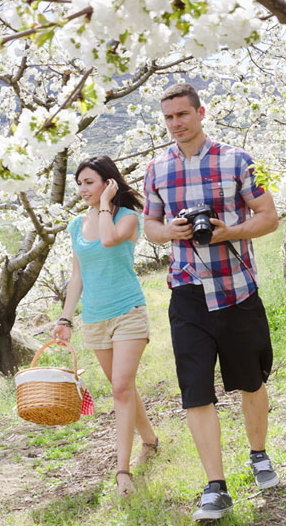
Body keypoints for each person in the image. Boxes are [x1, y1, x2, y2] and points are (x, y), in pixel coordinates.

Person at [143, 82, 280, 521]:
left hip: (236, 289)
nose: (176, 124)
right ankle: (215, 486)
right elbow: (150, 224)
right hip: (186, 293)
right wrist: (170, 232)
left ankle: (258, 453)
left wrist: (228, 231)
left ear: (201, 112)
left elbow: (269, 218)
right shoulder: (155, 169)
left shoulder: (239, 160)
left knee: (251, 382)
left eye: (182, 114)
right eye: (168, 117)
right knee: (195, 392)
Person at [53, 155, 158, 496]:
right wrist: (65, 318)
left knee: (120, 389)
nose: (83, 189)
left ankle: (123, 471)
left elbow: (110, 240)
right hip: (95, 320)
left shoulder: (127, 217)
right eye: (79, 183)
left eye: (90, 182)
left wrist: (107, 205)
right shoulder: (74, 226)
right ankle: (151, 440)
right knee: (122, 386)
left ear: (108, 183)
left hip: (128, 311)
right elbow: (77, 276)